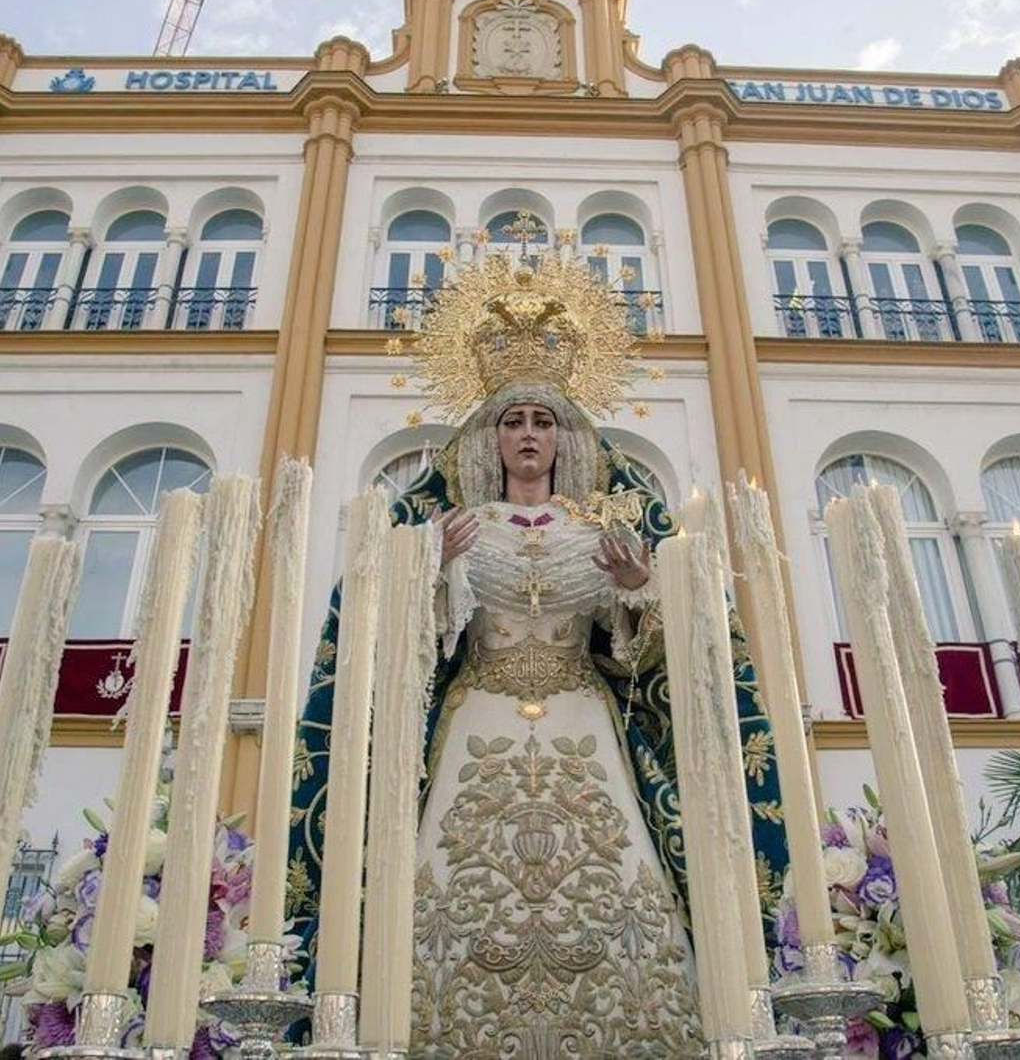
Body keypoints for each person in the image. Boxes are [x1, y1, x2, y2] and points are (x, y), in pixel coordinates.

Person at [283, 253, 791, 1055]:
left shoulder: (601, 530)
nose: (528, 435)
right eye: (513, 421)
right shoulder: (454, 530)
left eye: (543, 421)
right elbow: (396, 652)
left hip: (583, 723)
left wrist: (638, 591)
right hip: (477, 714)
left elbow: (652, 661)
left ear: (564, 436)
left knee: (615, 882)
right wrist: (424, 573)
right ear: (491, 436)